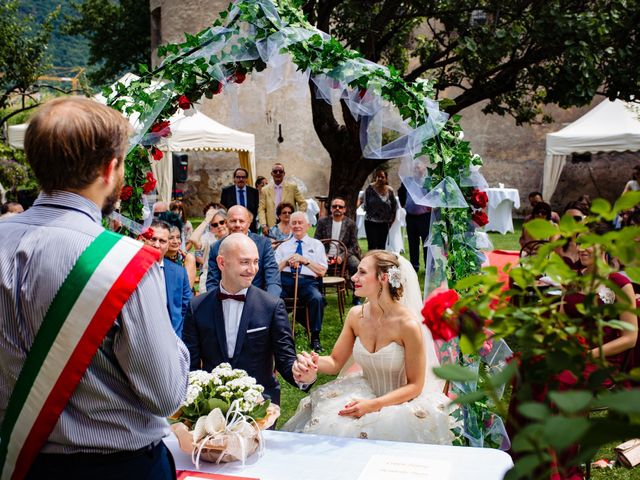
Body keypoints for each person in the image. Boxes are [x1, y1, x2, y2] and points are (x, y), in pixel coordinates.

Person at [0, 97, 189, 479]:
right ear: (110, 168)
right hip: (115, 466)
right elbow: (166, 393)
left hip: (13, 460)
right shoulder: (123, 263)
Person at [283, 250, 454, 444]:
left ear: (383, 278)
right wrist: (312, 363)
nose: (353, 277)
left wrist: (374, 405)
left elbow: (415, 386)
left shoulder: (407, 325)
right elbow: (335, 362)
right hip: (363, 391)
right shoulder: (356, 315)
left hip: (399, 404)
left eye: (362, 272)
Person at [183, 233, 317, 405]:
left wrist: (303, 375)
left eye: (255, 262)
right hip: (211, 404)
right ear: (221, 263)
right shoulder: (197, 307)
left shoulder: (271, 306)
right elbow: (191, 366)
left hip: (261, 404)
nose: (253, 269)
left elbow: (285, 360)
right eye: (244, 262)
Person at [275, 212, 328, 352]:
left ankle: (315, 337)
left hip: (307, 282)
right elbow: (273, 270)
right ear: (290, 225)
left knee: (316, 298)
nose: (297, 226)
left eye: (300, 223)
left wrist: (305, 261)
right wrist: (286, 262)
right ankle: (277, 335)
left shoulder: (317, 245)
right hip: (285, 280)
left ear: (308, 226)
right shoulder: (283, 246)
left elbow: (322, 271)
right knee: (273, 298)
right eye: (294, 223)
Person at [206, 205, 281, 297]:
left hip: (257, 300)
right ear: (226, 223)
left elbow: (272, 278)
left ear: (249, 223)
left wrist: (269, 303)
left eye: (241, 221)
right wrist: (217, 304)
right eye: (233, 221)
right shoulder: (216, 248)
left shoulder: (263, 244)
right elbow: (213, 282)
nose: (237, 225)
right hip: (226, 300)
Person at [143, 220, 192, 337]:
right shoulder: (132, 269)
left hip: (173, 336)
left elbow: (187, 307)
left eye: (162, 241)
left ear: (167, 244)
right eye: (153, 239)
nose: (157, 244)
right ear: (145, 240)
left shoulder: (179, 272)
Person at [314, 196, 361, 301]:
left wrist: (342, 256)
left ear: (344, 209)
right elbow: (316, 241)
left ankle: (356, 296)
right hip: (325, 254)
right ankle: (319, 296)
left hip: (344, 254)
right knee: (310, 266)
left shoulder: (350, 224)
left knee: (357, 266)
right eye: (334, 206)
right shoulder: (322, 222)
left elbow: (354, 246)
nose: (337, 209)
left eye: (340, 207)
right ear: (331, 209)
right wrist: (322, 255)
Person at [398, 161, 431, 272]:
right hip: (411, 217)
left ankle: (428, 267)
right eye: (414, 168)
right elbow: (401, 193)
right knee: (413, 242)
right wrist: (404, 205)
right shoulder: (407, 181)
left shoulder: (428, 182)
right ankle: (414, 267)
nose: (416, 170)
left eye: (418, 168)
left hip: (425, 217)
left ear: (423, 169)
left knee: (427, 242)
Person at [258, 163, 307, 232]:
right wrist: (263, 225)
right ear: (272, 173)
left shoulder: (292, 187)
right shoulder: (264, 190)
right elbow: (261, 209)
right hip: (271, 227)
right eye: (275, 171)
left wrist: (297, 218)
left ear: (284, 173)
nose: (278, 173)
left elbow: (303, 203)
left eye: (280, 171)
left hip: (290, 225)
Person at [191, 207, 228, 293]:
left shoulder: (234, 235)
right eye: (215, 224)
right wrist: (206, 220)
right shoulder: (208, 238)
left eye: (222, 222)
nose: (219, 226)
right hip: (210, 276)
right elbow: (193, 239)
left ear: (226, 222)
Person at [363, 169, 397, 250]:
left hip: (384, 223)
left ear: (386, 179)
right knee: (372, 245)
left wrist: (391, 221)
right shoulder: (369, 188)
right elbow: (365, 204)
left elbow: (394, 207)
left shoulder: (390, 190)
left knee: (381, 246)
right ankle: (371, 262)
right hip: (370, 222)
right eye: (378, 177)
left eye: (382, 177)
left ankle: (380, 262)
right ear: (375, 178)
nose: (380, 179)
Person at [220, 168, 259, 232]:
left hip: (250, 225)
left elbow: (256, 208)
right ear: (234, 179)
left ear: (246, 179)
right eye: (238, 177)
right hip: (233, 226)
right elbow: (223, 209)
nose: (241, 179)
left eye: (243, 177)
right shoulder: (227, 191)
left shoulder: (254, 192)